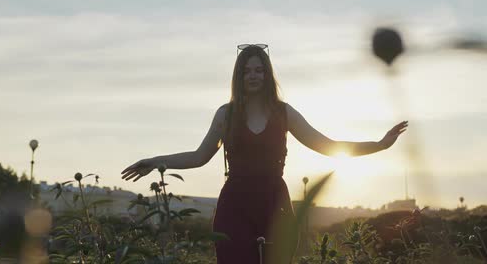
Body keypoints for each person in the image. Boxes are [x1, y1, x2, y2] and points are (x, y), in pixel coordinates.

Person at [121, 44, 408, 264]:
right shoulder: (226, 114)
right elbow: (199, 156)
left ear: (267, 74)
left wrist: (379, 144)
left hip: (276, 205)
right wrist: (154, 161)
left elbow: (326, 145)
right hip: (234, 205)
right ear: (238, 76)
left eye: (258, 70)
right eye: (246, 71)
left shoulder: (284, 113)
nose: (253, 76)